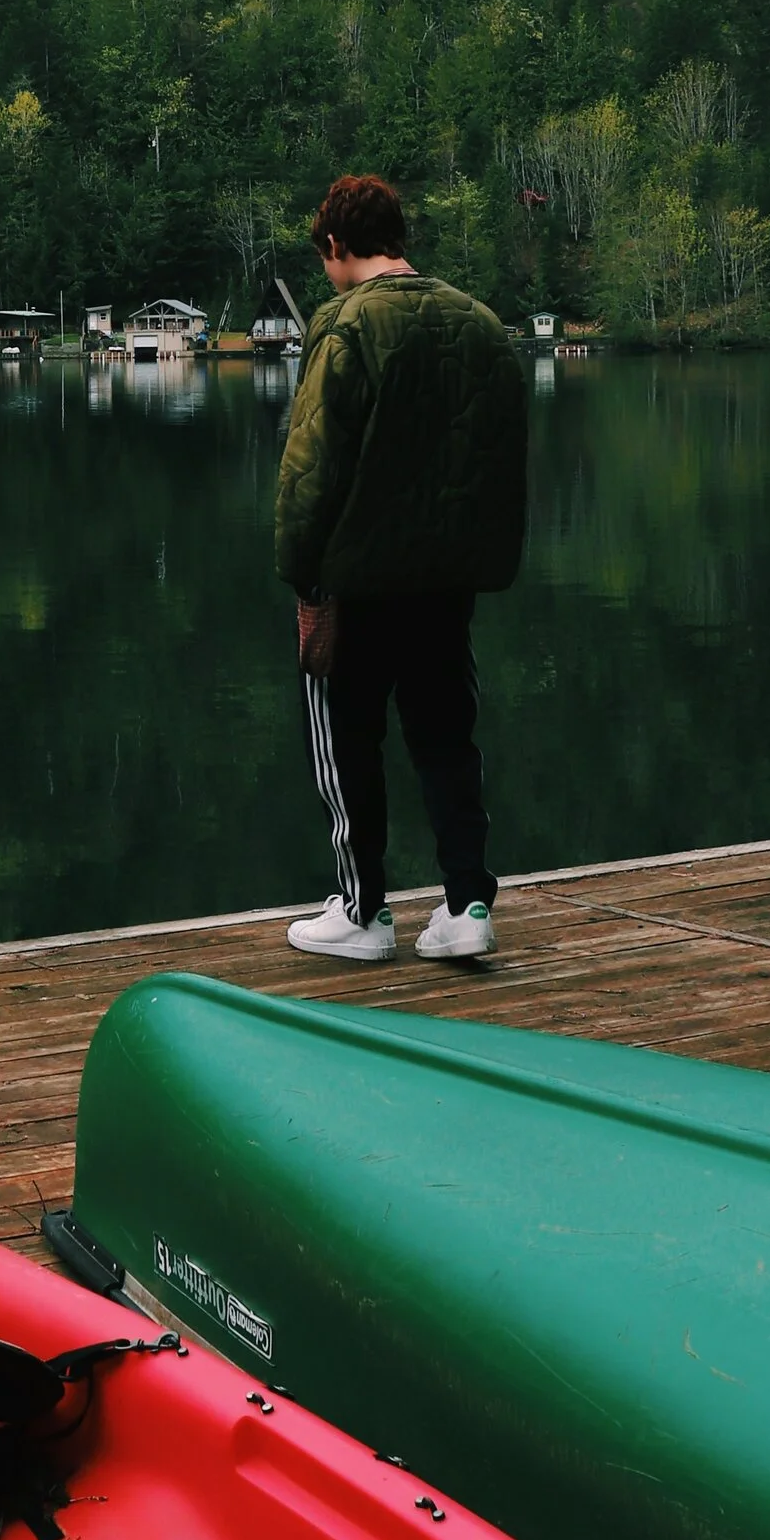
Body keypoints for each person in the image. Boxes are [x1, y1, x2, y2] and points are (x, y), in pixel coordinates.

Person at [272, 172, 529, 960]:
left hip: (360, 579)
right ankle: (467, 907)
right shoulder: (479, 322)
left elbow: (312, 465)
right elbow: (502, 457)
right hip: (448, 580)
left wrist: (300, 572)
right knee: (447, 734)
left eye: (325, 256)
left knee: (346, 736)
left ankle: (362, 912)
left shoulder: (344, 324)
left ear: (338, 246)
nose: (327, 270)